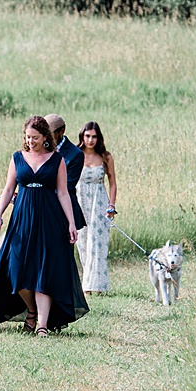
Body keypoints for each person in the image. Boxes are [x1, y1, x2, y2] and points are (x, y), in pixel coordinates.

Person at [0, 116, 89, 336]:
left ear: (45, 138)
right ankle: (31, 311)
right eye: (27, 137)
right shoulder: (17, 158)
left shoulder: (57, 159)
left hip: (50, 218)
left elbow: (63, 192)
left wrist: (70, 222)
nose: (30, 141)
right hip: (22, 217)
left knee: (44, 270)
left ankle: (42, 324)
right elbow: (8, 189)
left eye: (35, 137)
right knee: (15, 268)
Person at [76, 121, 118, 294]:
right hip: (80, 201)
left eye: (94, 136)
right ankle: (87, 285)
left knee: (98, 243)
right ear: (82, 137)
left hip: (99, 202)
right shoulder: (76, 155)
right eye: (87, 136)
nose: (90, 140)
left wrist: (111, 205)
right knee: (83, 242)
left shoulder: (105, 156)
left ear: (98, 138)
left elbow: (113, 183)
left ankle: (98, 285)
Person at [45, 113, 87, 231]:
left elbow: (67, 186)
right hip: (42, 207)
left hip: (63, 210)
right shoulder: (42, 148)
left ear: (61, 131)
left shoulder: (75, 154)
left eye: (50, 134)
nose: (46, 137)